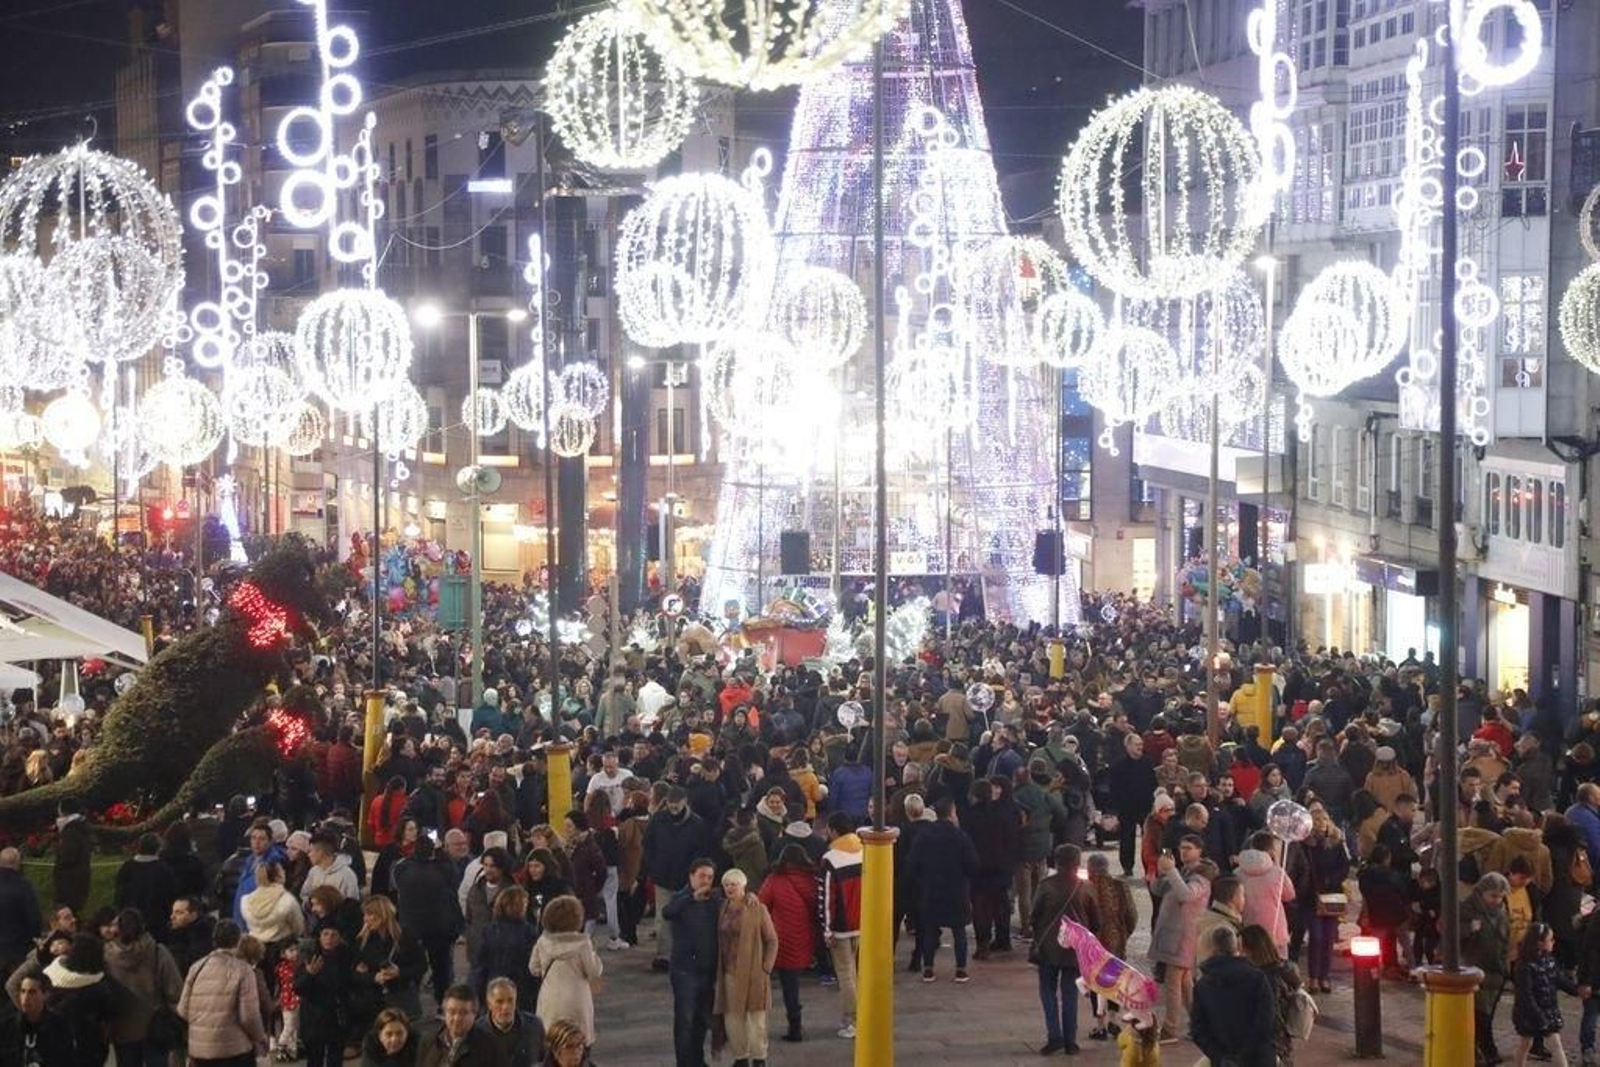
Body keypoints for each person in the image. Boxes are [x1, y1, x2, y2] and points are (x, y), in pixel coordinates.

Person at [1029, 844, 1102, 1055]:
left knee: (1048, 992)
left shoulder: (1046, 885)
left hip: (1048, 949)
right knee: (1070, 994)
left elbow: (1034, 916)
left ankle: (1054, 1037)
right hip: (1075, 949)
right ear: (1077, 862)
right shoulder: (1086, 887)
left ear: (1056, 861)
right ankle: (1071, 1041)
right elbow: (1096, 921)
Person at [908, 796, 980, 984]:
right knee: (959, 932)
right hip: (957, 890)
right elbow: (973, 865)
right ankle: (961, 970)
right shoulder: (961, 837)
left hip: (931, 890)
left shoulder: (924, 836)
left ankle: (929, 969)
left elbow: (913, 864)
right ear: (952, 813)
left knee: (930, 930)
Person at [1149, 835, 1213, 1041]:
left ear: (1199, 851)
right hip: (1174, 934)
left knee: (1173, 982)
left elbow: (1186, 895)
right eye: (1181, 847)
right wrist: (1161, 872)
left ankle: (1170, 1028)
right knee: (1186, 983)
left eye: (1189, 848)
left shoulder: (1201, 876)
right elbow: (1157, 889)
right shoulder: (1181, 871)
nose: (1184, 851)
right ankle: (1199, 1024)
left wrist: (1171, 871)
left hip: (1184, 935)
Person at [713, 867, 778, 1065]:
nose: (729, 888)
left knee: (756, 1018)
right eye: (726, 884)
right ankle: (740, 1056)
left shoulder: (757, 909)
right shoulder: (722, 907)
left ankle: (759, 1057)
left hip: (753, 972)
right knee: (732, 1017)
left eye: (733, 884)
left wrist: (766, 967)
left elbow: (772, 940)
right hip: (728, 971)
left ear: (743, 885)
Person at [104, 908, 183, 1067]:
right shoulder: (157, 951)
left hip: (122, 1028)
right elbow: (174, 989)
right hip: (155, 1027)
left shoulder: (106, 955)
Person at [1189, 925, 1276, 1067]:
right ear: (1237, 947)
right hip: (1259, 1059)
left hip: (1222, 1060)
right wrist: (1243, 1056)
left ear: (1213, 950)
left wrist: (1221, 1057)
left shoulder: (1203, 985)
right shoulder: (1257, 979)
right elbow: (1265, 1024)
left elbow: (1198, 1029)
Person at [756, 843, 818, 1044]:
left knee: (777, 983)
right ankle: (795, 1025)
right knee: (792, 985)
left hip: (780, 939)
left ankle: (760, 1025)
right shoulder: (811, 878)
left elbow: (761, 903)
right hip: (803, 937)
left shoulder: (775, 880)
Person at [643, 788, 710, 972]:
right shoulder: (658, 820)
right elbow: (647, 844)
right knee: (663, 917)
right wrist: (653, 867)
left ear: (685, 802)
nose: (673, 809)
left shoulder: (697, 824)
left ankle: (687, 954)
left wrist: (694, 876)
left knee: (688, 918)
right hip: (663, 877)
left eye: (676, 806)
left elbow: (701, 851)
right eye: (671, 806)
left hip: (686, 880)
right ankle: (664, 955)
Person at [662, 859, 719, 1066]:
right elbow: (667, 912)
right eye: (702, 876)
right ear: (691, 876)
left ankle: (698, 1059)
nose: (706, 881)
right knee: (685, 1020)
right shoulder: (681, 897)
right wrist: (690, 899)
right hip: (685, 971)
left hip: (707, 970)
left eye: (710, 877)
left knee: (701, 1020)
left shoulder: (714, 900)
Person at [529, 895, 602, 1050]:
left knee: (552, 1043)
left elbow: (533, 968)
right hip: (577, 999)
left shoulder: (543, 941)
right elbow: (593, 971)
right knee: (579, 1043)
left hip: (550, 998)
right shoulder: (583, 944)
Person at [45, 933, 124, 1067]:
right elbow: (110, 1015)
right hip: (90, 1048)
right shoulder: (99, 986)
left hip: (57, 1045)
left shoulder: (53, 977)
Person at [818, 811, 864, 1036]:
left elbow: (827, 897)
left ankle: (852, 1020)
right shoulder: (866, 850)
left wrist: (827, 929)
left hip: (841, 926)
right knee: (861, 972)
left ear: (833, 830)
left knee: (846, 975)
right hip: (865, 921)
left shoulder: (831, 858)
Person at [1463, 872, 1514, 1065]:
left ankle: (1476, 1048)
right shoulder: (1468, 908)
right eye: (1493, 896)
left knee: (1487, 1015)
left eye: (1500, 896)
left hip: (1497, 971)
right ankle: (1488, 1051)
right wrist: (1469, 929)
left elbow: (1505, 938)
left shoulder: (1502, 911)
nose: (1497, 900)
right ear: (1482, 892)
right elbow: (1449, 932)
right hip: (1476, 969)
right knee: (1481, 1014)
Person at [1513, 922, 1579, 1067]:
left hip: (1547, 1009)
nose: (1553, 942)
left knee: (1532, 1043)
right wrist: (1539, 1016)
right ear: (1539, 943)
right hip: (1531, 1013)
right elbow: (1526, 995)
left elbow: (1559, 979)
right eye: (1550, 940)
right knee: (1531, 1043)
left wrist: (1576, 990)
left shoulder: (1548, 960)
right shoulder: (1524, 966)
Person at [1240, 923, 1304, 1067]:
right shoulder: (1283, 971)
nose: (1238, 955)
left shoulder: (1265, 980)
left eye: (1241, 949)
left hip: (1268, 1049)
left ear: (1251, 951)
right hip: (1282, 1044)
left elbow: (1269, 1019)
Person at [295, 921, 354, 1067]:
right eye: (325, 934)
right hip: (314, 1016)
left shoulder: (346, 956)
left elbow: (350, 983)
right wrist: (309, 974)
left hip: (337, 1014)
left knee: (335, 1059)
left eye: (334, 935)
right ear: (319, 937)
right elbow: (297, 988)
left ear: (340, 938)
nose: (329, 938)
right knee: (315, 1059)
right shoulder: (309, 956)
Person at [416, 985, 508, 1067]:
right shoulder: (429, 1041)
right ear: (444, 1013)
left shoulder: (491, 1046)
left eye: (464, 1013)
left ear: (475, 1014)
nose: (457, 1018)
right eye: (452, 1012)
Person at [114, 833, 178, 942]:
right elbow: (170, 897)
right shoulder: (164, 870)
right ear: (158, 849)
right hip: (156, 922)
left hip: (130, 919)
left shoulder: (126, 867)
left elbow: (119, 894)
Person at [0, 973, 74, 1067]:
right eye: (23, 991)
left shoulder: (60, 1027)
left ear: (45, 994)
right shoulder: (6, 1027)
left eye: (32, 992)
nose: (26, 998)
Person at [472, 976, 545, 1066]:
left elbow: (543, 1060)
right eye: (499, 1001)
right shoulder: (476, 1032)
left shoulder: (534, 1026)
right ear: (489, 1005)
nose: (506, 1006)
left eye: (510, 1000)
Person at [240, 861, 304, 948]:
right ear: (278, 877)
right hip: (282, 948)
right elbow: (298, 926)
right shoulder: (287, 900)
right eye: (281, 870)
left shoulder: (246, 901)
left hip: (254, 948)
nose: (284, 872)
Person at [0, 848, 41, 981]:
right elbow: (33, 918)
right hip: (17, 948)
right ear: (18, 863)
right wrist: (35, 938)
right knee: (16, 986)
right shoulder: (24, 886)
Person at [53, 798, 90, 915]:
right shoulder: (79, 827)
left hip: (69, 885)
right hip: (77, 883)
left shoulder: (71, 831)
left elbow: (68, 857)